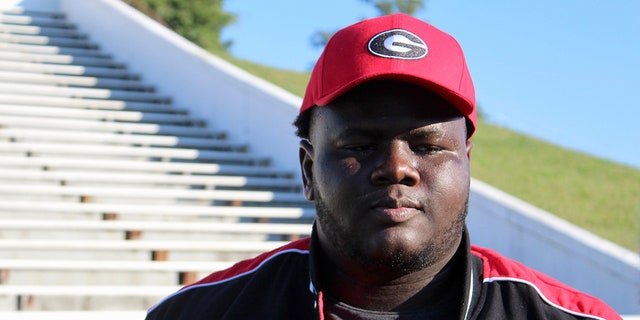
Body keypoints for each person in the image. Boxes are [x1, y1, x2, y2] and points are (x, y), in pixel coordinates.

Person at [146, 13, 621, 319]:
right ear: (308, 171)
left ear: (468, 166)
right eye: (360, 143)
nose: (396, 168)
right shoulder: (200, 314)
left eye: (428, 146)